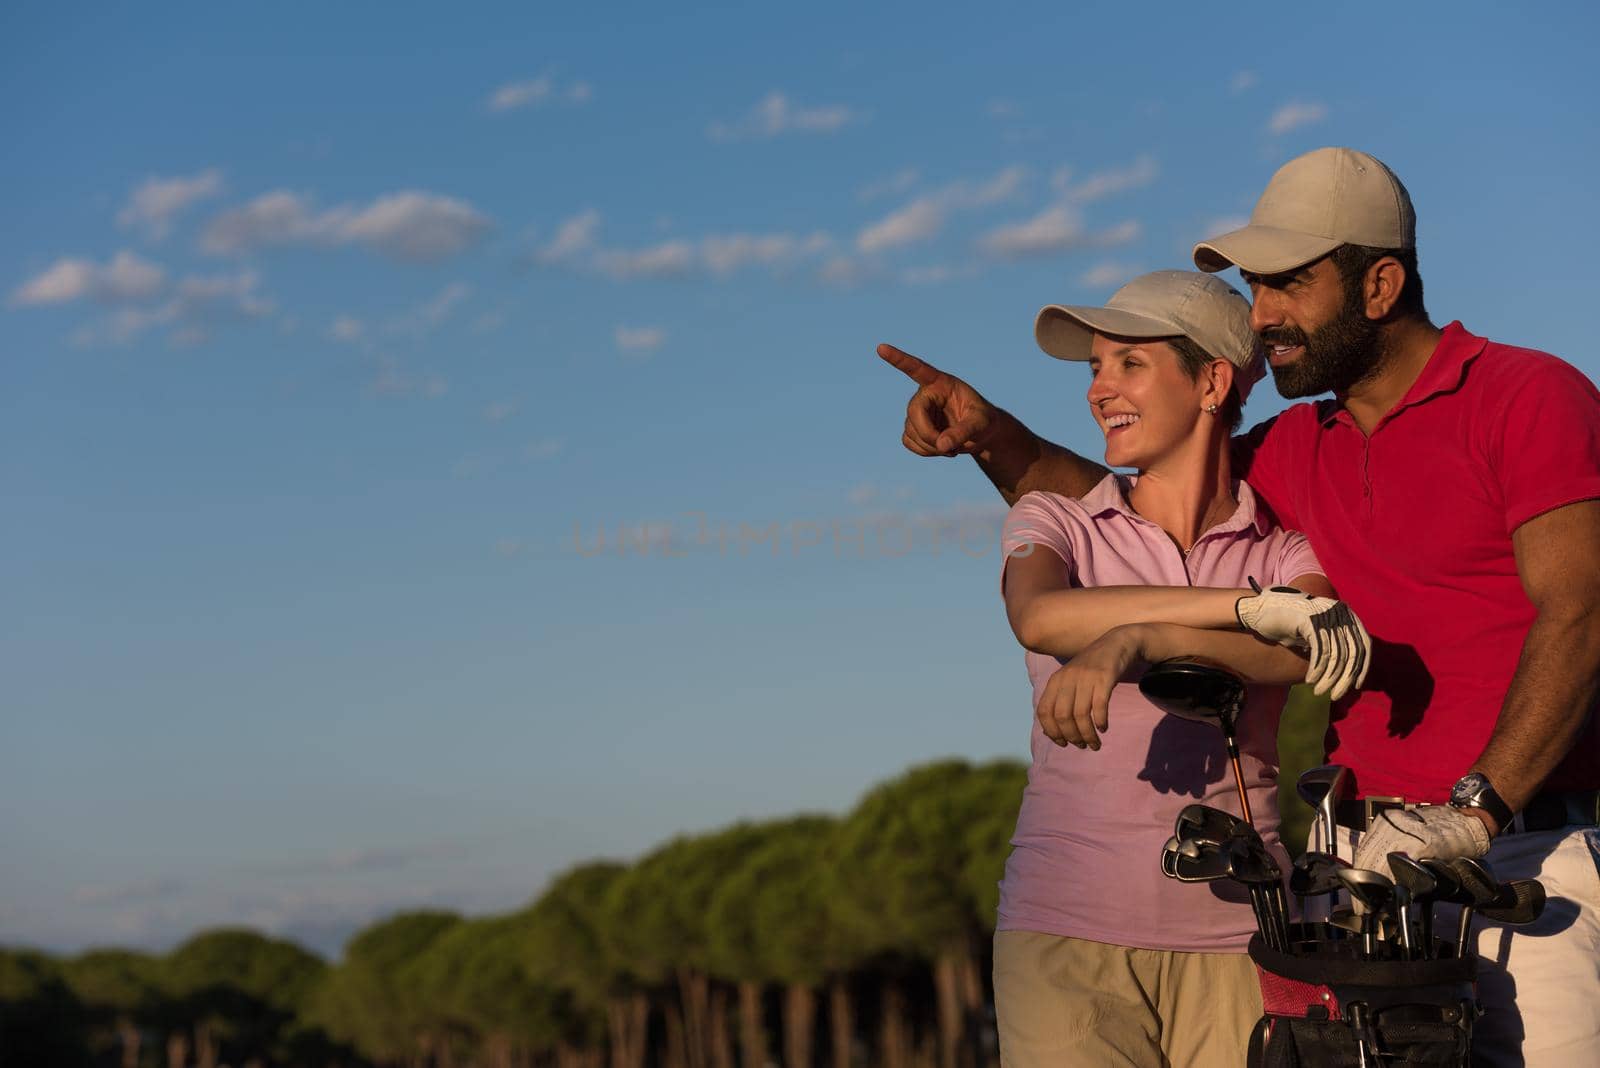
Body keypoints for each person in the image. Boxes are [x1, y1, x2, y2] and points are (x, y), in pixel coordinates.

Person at [880, 147, 1600, 1067]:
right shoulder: (1296, 448)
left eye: (1288, 286)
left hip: (1522, 856)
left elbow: (1580, 610)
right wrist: (993, 437)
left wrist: (1475, 811)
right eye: (1255, 290)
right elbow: (1140, 489)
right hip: (1357, 874)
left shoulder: (1527, 395)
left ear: (1379, 283)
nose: (1263, 318)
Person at [988, 268, 1371, 1068]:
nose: (1099, 390)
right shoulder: (1055, 520)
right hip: (1065, 936)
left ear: (1211, 382)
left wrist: (1136, 640)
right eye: (1095, 367)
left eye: (1128, 363)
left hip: (1243, 941)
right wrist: (1236, 606)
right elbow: (1042, 618)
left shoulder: (1285, 549)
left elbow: (1303, 650)